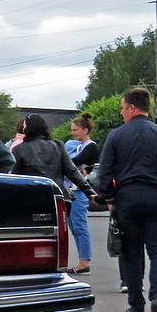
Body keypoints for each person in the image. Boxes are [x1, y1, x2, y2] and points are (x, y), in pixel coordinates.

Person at [92, 88, 157, 312]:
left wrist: (108, 198)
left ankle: (136, 304)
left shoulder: (116, 135)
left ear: (131, 107)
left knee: (131, 252)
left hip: (127, 198)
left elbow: (105, 172)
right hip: (156, 197)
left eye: (122, 107)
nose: (121, 112)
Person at [11, 114, 101, 271]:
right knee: (60, 234)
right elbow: (72, 172)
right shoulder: (58, 146)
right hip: (60, 199)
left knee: (36, 235)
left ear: (29, 128)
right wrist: (90, 192)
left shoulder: (19, 150)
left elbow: (15, 179)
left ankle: (36, 265)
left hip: (34, 200)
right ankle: (59, 265)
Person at [64, 112, 100, 274]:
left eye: (76, 130)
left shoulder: (90, 146)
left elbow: (76, 162)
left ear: (85, 130)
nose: (73, 133)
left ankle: (84, 262)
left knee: (79, 225)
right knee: (73, 226)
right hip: (70, 188)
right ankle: (82, 260)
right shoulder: (72, 145)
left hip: (79, 190)